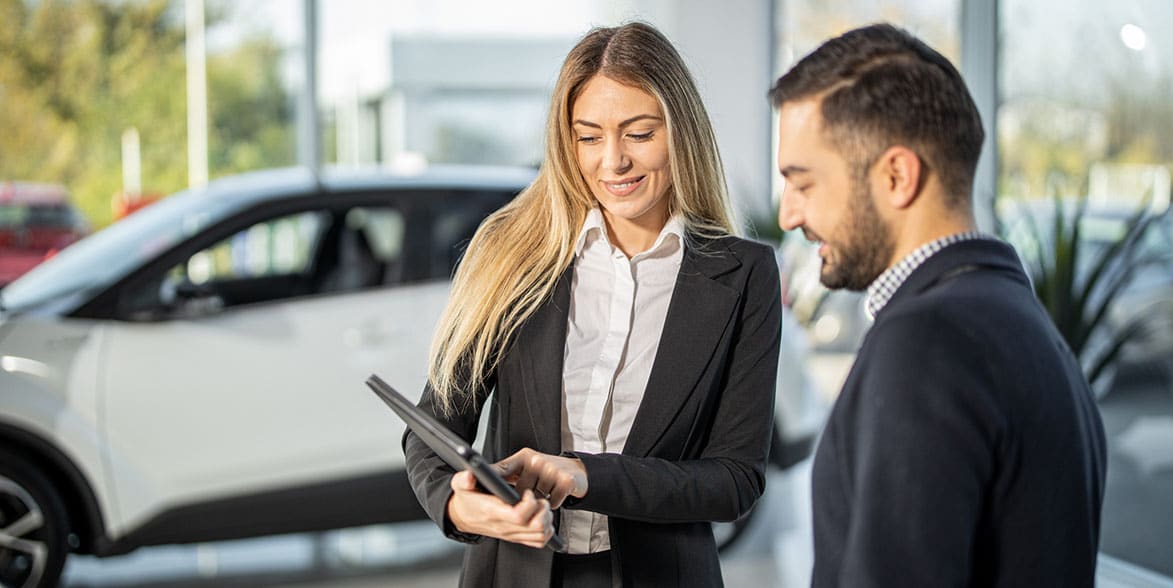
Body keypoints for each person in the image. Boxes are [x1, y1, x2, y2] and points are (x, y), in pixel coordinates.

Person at [403, 22, 781, 587]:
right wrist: (462, 508)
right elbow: (430, 435)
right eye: (588, 137)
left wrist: (586, 476)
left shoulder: (744, 275)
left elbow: (734, 480)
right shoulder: (512, 256)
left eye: (639, 133)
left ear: (682, 132)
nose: (613, 162)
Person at [770, 24, 1106, 587]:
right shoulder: (1022, 322)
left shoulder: (926, 344)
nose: (788, 215)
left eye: (803, 183)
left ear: (897, 175)